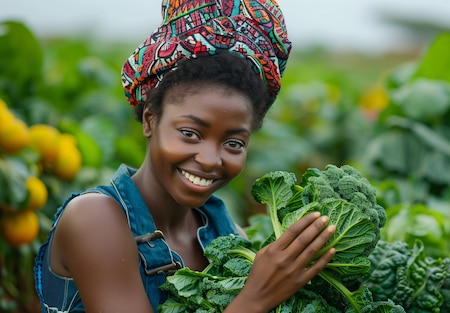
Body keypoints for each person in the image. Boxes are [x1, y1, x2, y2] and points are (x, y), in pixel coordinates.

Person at [33, 1, 337, 312]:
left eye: (233, 143)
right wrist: (257, 297)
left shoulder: (225, 232)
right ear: (150, 119)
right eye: (190, 133)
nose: (209, 159)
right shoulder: (94, 219)